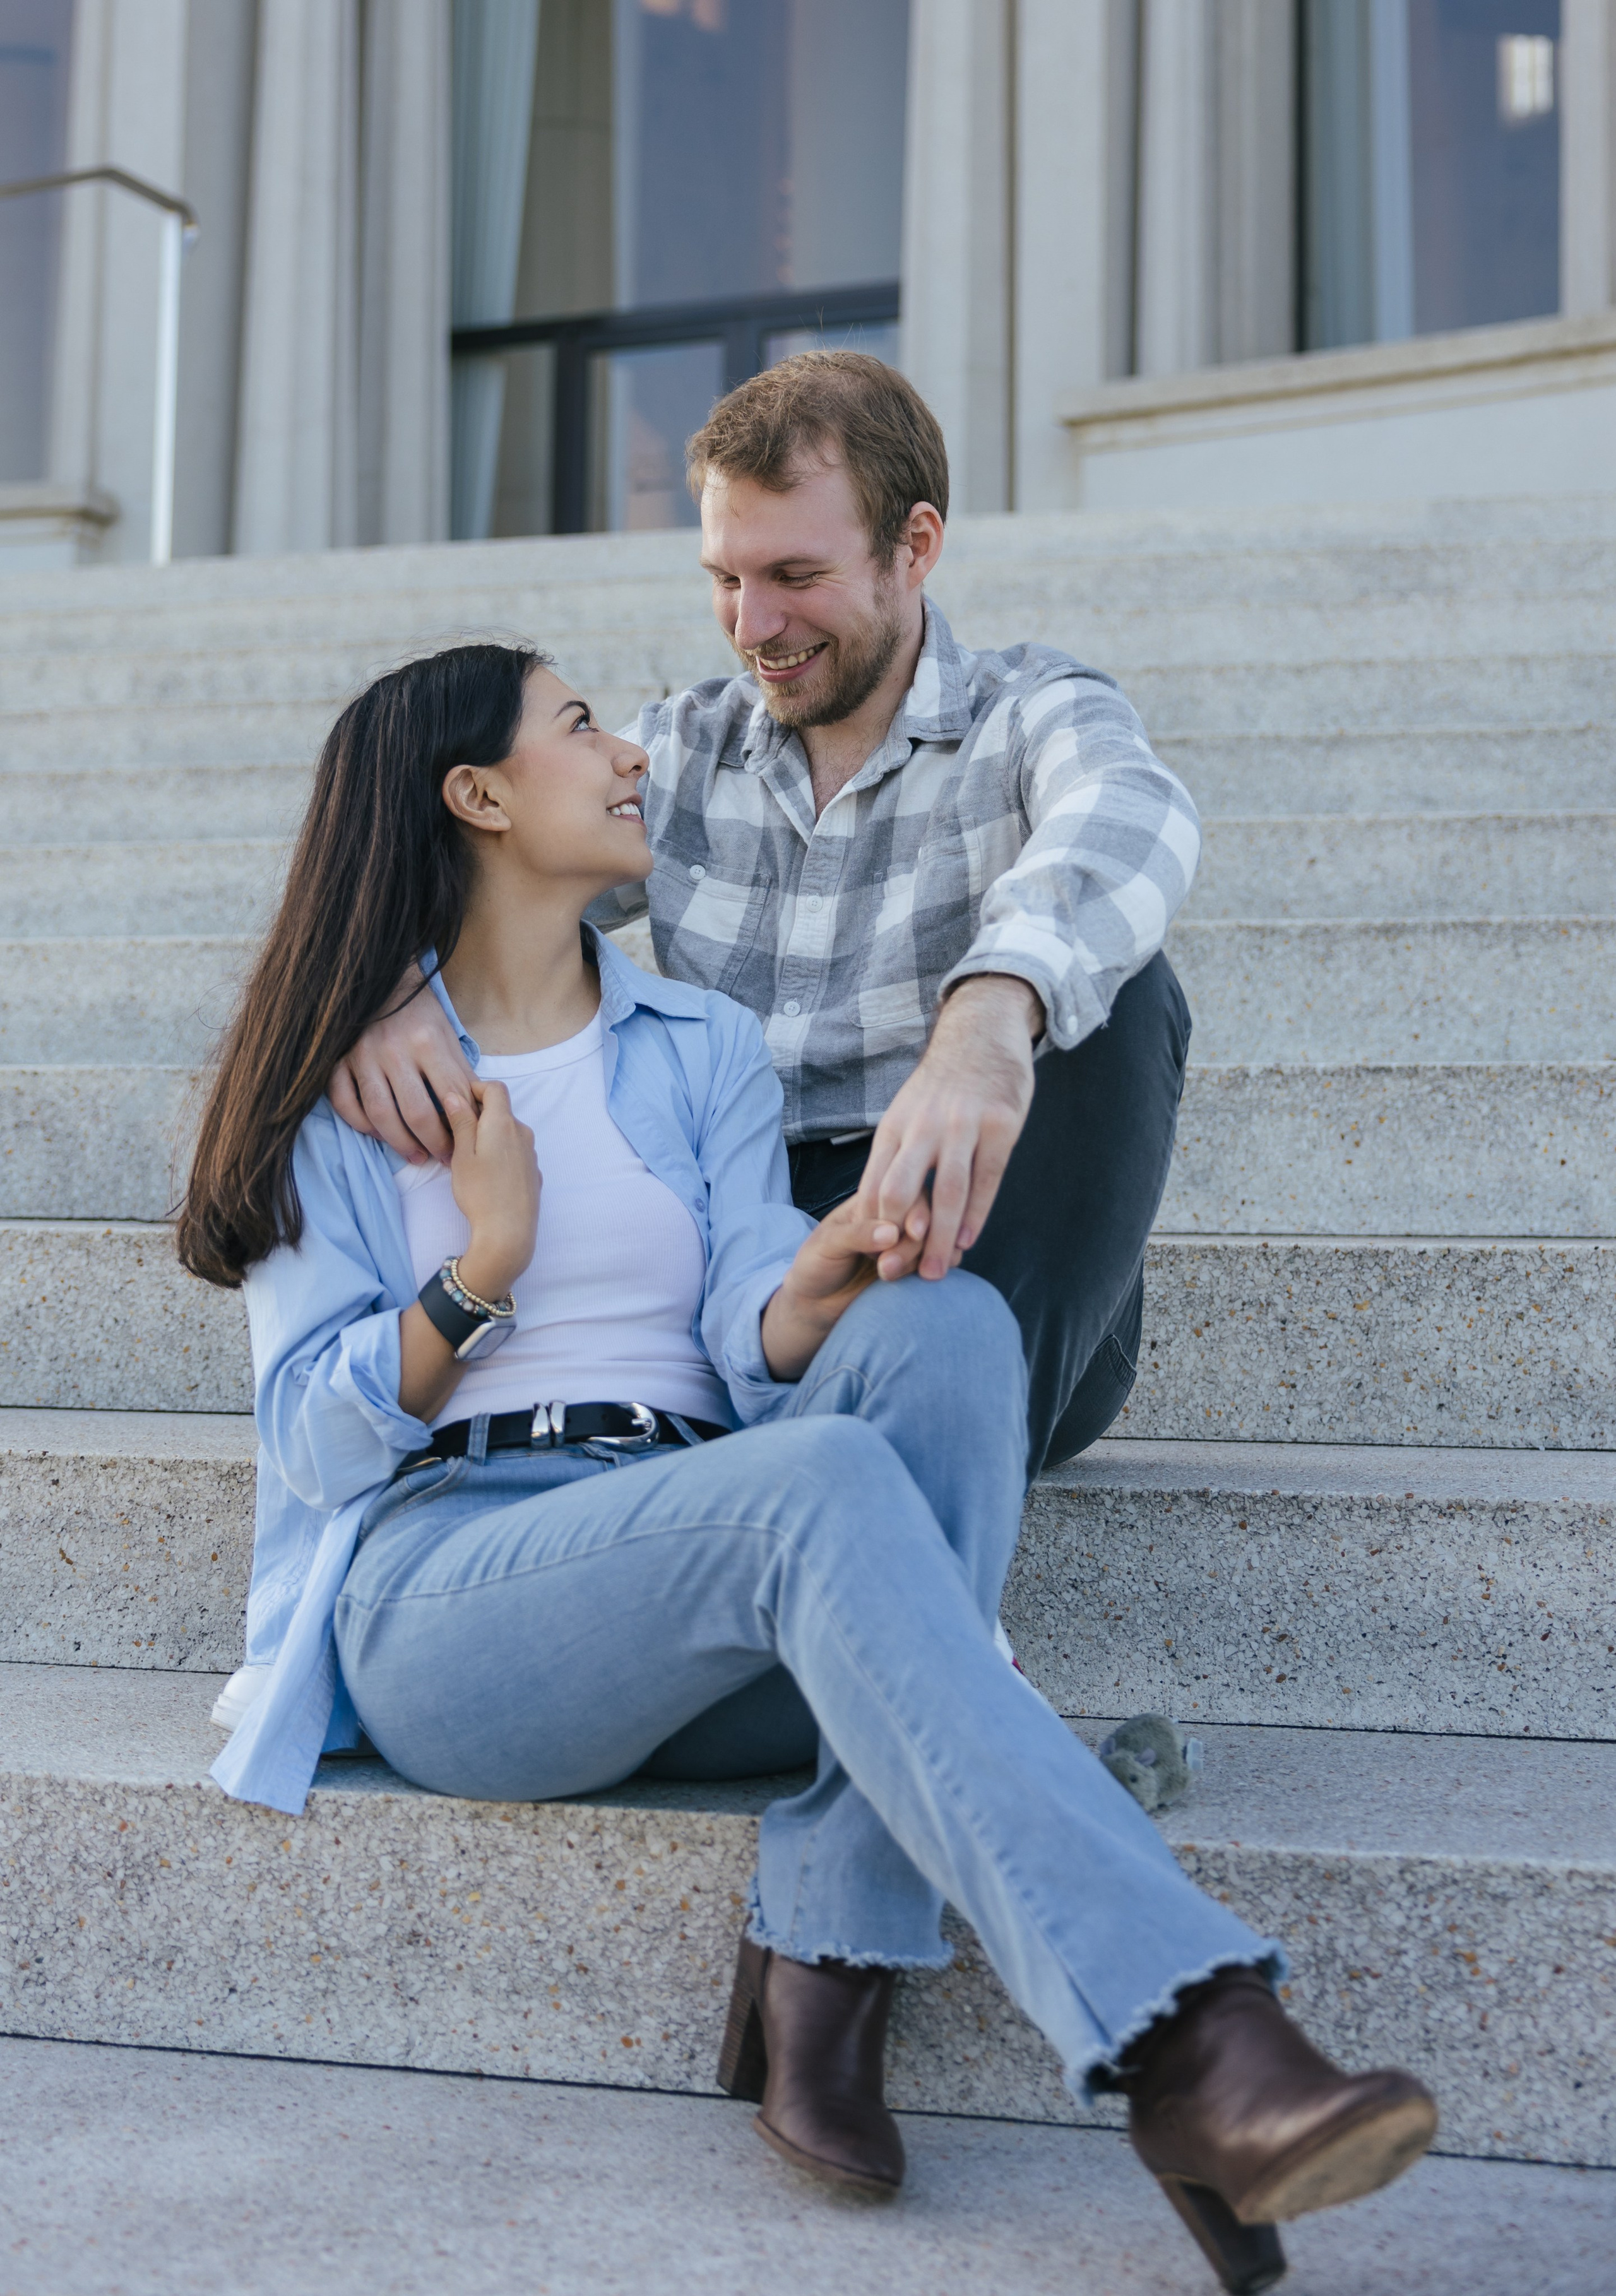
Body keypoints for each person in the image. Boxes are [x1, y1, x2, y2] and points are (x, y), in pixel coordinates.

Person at [179, 642, 1434, 2295]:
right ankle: (1195, 2040)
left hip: (695, 1538)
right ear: (477, 796)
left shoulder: (695, 1040)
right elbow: (312, 1434)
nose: (631, 750)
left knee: (950, 1335)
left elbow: (735, 1329)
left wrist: (821, 1275)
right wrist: (482, 1265)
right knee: (829, 1488)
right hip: (453, 1593)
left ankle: (842, 1906)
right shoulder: (353, 1078)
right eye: (579, 727)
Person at [328, 352, 1199, 1479]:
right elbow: (483, 863)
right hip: (742, 1231)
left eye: (795, 573)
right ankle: (808, 1475)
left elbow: (1133, 814)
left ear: (915, 546)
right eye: (726, 578)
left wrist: (988, 1018)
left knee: (1123, 994)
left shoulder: (1029, 713)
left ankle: (911, 1485)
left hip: (968, 1222)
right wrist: (392, 983)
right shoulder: (680, 750)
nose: (754, 624)